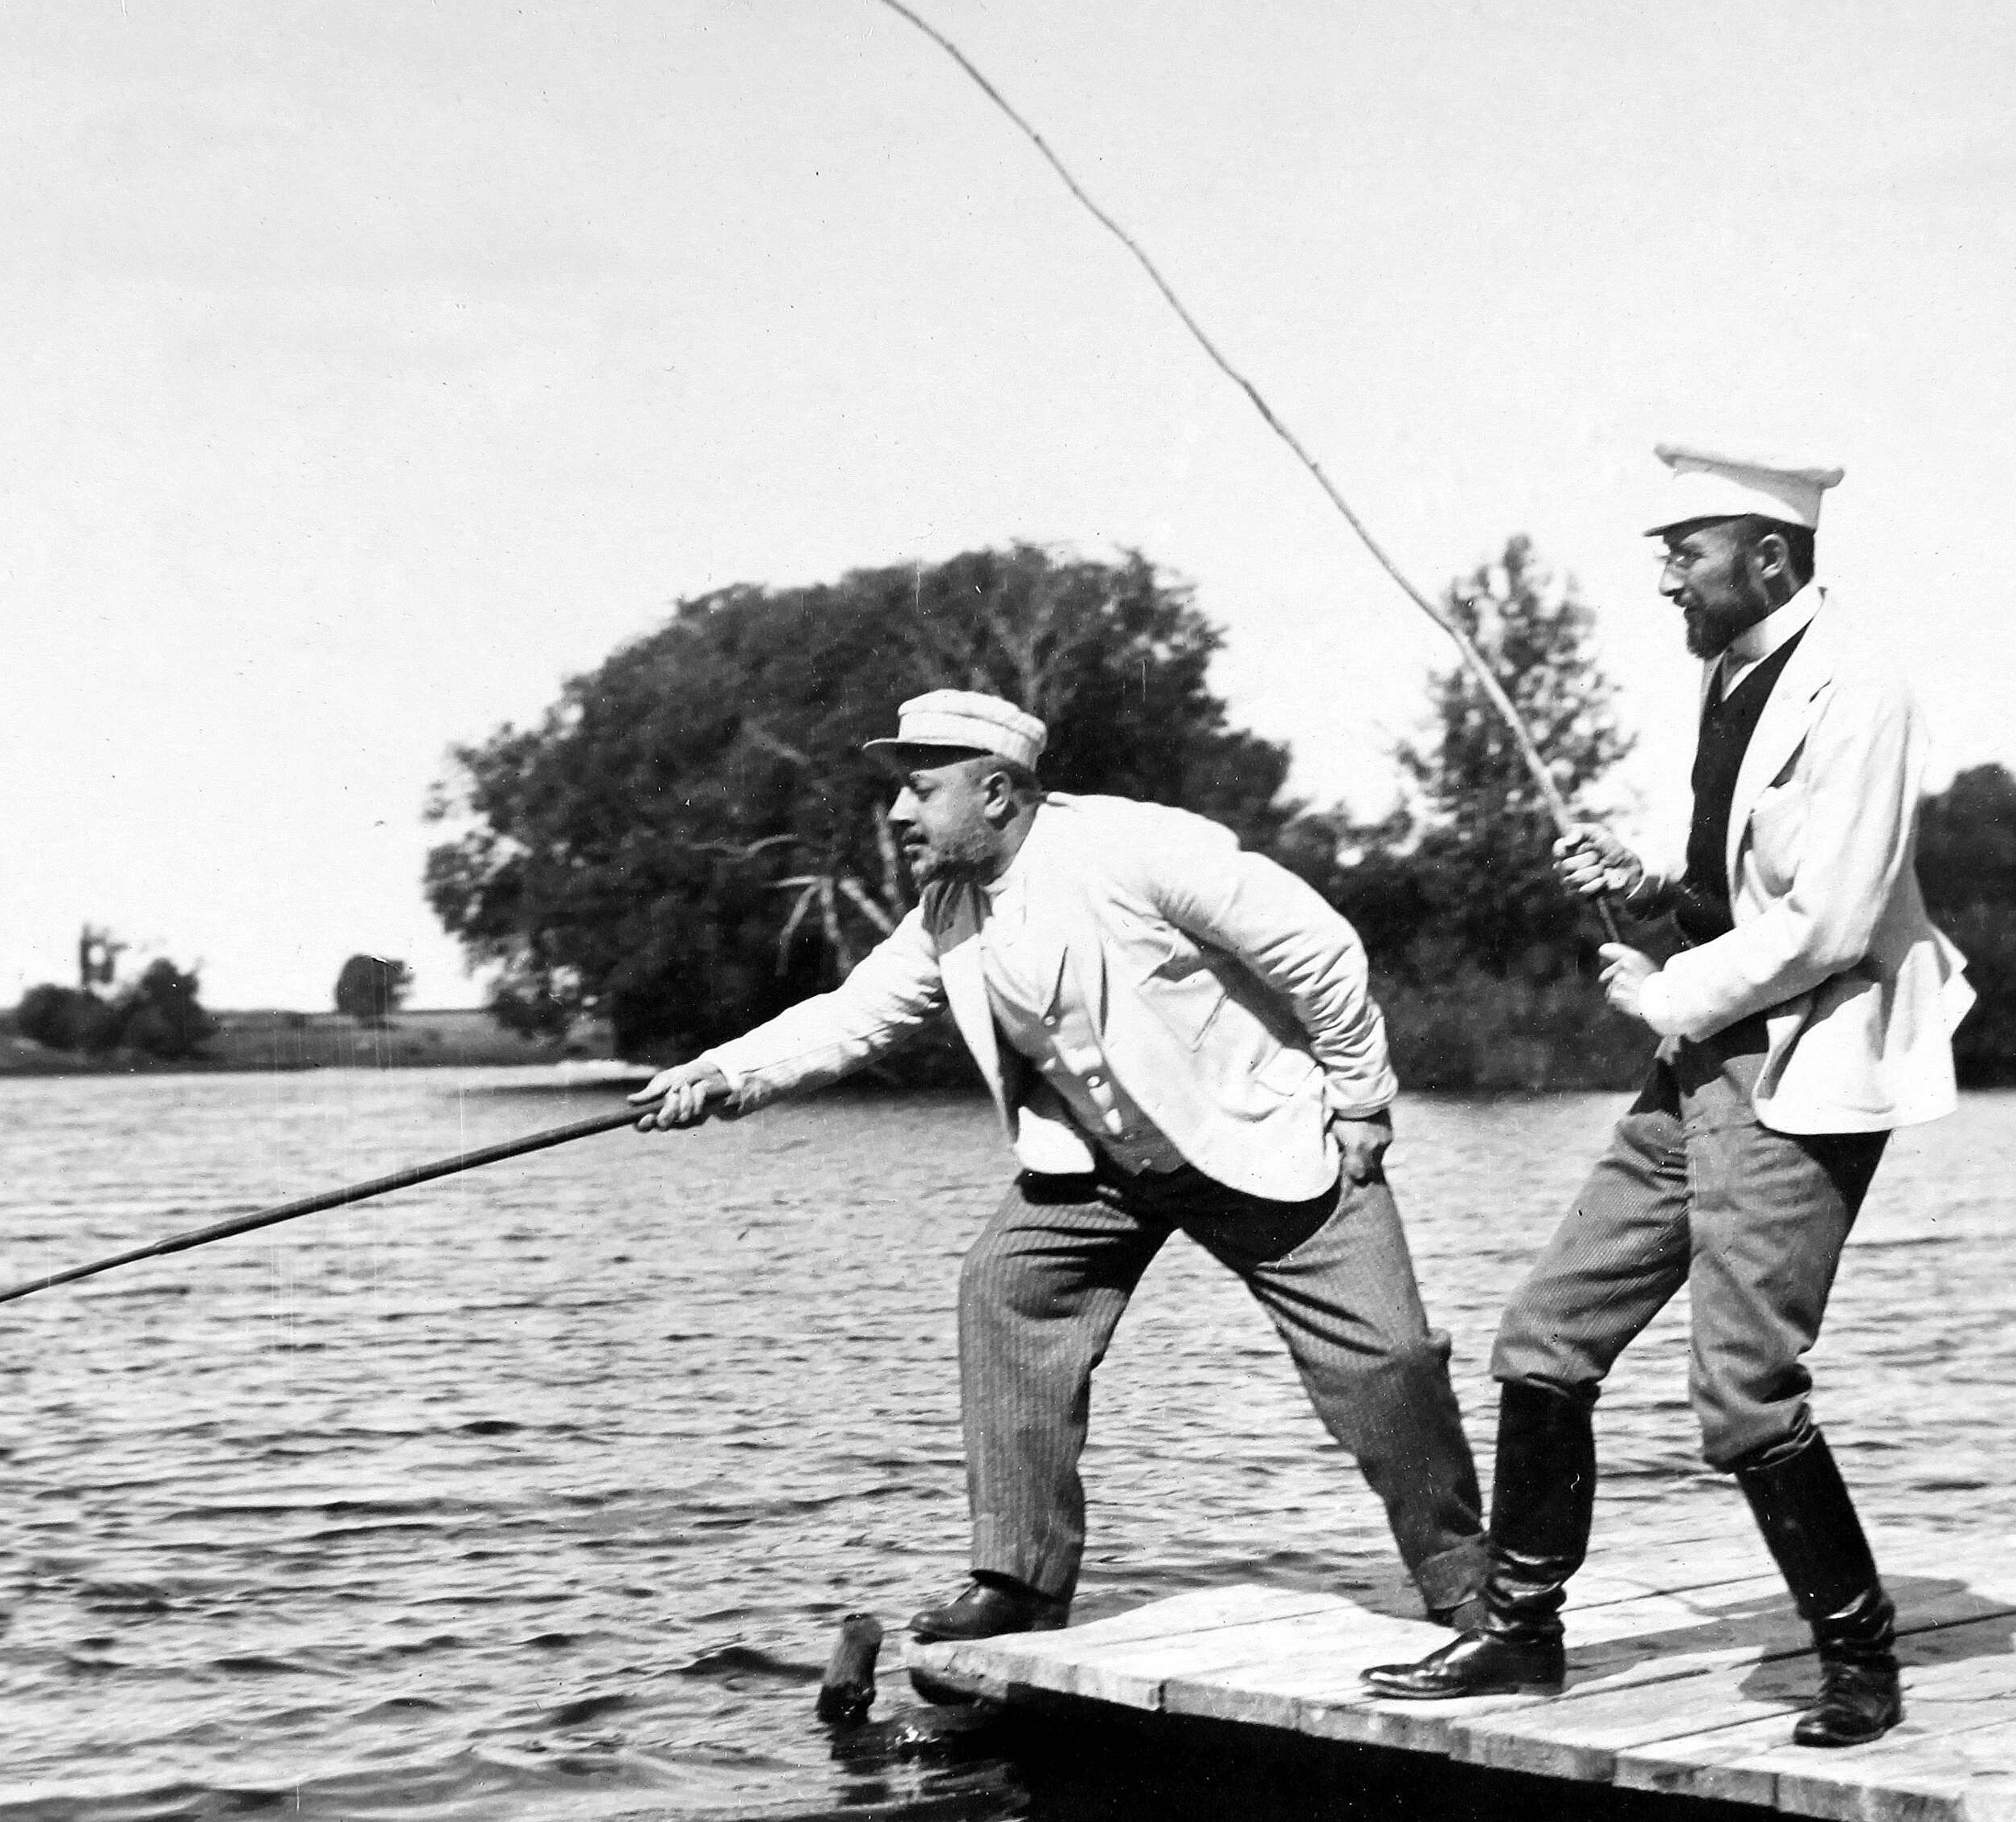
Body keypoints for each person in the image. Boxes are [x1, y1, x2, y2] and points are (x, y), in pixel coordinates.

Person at [632, 688, 1489, 1642]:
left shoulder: (1141, 847)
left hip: (1262, 1139)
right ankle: (1021, 1582)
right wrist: (723, 1074)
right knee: (1005, 1290)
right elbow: (856, 1012)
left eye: (921, 791)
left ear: (997, 793)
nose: (899, 814)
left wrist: (1362, 1097)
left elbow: (1318, 949)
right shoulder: (947, 910)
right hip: (1098, 1164)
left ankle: (1465, 1582)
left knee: (1389, 1361)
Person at [1360, 447, 1973, 1746]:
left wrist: (1666, 991)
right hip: (1696, 1067)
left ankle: (1859, 1664)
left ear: (1763, 555)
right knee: (1541, 1337)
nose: (1661, 580)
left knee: (1742, 1389)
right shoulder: (1725, 675)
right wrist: (1645, 883)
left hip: (1794, 1071)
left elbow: (1829, 921)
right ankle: (1519, 1637)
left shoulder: (1859, 691)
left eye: (1679, 552)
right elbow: (1736, 880)